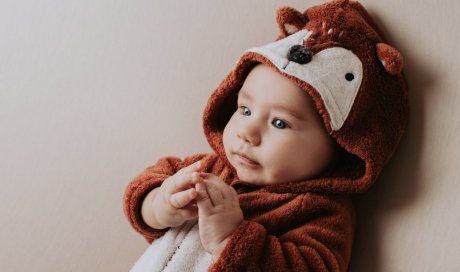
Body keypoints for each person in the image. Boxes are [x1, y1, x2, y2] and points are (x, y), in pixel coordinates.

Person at [123, 0, 409, 271]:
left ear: (340, 145)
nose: (247, 132)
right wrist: (159, 205)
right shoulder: (208, 169)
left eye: (280, 123)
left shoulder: (321, 212)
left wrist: (230, 239)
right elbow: (144, 186)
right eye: (245, 110)